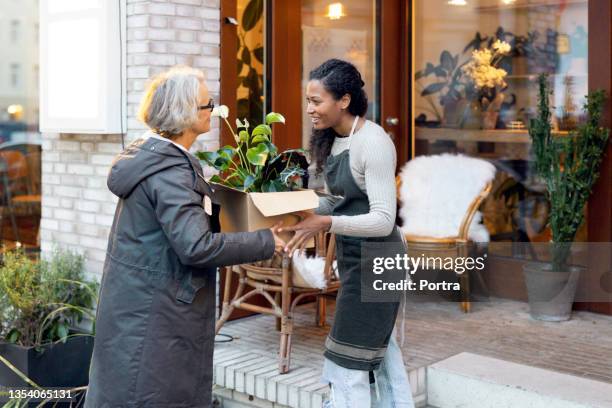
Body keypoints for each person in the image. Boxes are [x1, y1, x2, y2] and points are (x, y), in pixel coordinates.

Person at [85, 66, 284, 407]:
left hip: (141, 307)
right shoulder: (170, 172)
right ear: (185, 113)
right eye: (207, 105)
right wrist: (268, 240)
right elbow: (196, 246)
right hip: (158, 315)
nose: (212, 111)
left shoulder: (150, 158)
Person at [282, 59, 415, 407]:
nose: (309, 109)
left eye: (316, 101)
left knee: (346, 362)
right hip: (356, 261)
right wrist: (301, 212)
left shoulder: (373, 143)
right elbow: (340, 203)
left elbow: (383, 220)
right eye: (308, 101)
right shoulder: (334, 141)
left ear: (343, 100)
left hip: (380, 261)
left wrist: (325, 223)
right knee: (381, 355)